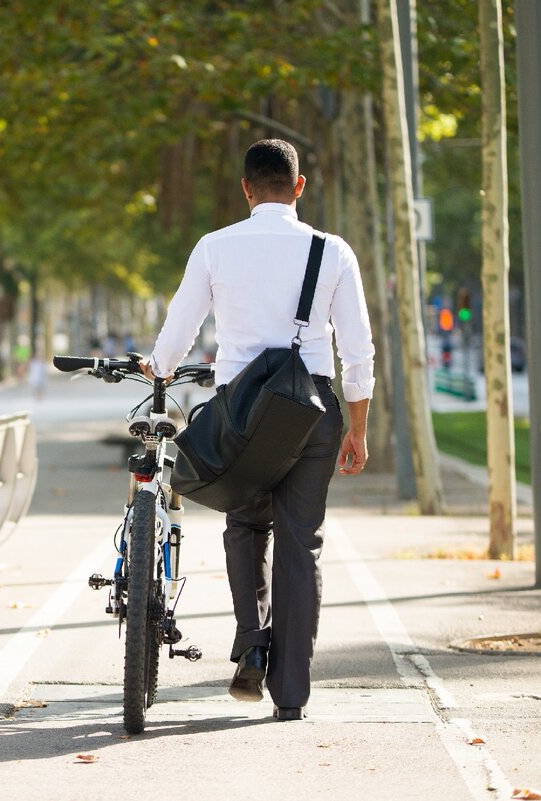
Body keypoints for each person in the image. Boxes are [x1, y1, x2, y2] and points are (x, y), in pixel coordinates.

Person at [143, 139, 374, 721]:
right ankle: (291, 695)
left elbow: (180, 329)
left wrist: (159, 366)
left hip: (243, 410)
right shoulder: (333, 251)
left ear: (246, 190)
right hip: (314, 411)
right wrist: (358, 430)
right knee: (301, 544)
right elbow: (359, 351)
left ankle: (251, 640)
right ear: (300, 187)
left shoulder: (216, 248)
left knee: (245, 524)